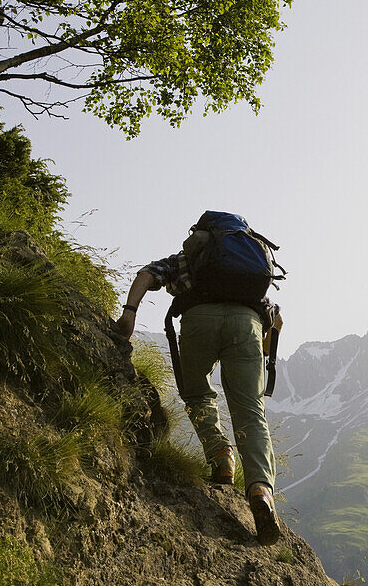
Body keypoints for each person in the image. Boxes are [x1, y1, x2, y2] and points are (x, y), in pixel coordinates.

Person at [116, 229, 284, 547]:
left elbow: (145, 275)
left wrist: (130, 313)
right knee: (250, 410)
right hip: (248, 324)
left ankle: (221, 455)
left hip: (198, 320)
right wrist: (259, 347)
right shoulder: (250, 269)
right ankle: (261, 489)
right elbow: (276, 319)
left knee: (196, 392)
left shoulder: (189, 260)